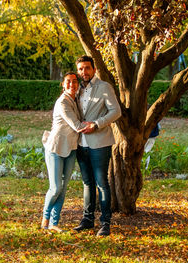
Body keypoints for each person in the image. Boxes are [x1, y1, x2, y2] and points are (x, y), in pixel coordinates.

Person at [73, 55, 121, 236]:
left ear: (93, 69)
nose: (83, 72)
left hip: (100, 142)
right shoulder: (76, 89)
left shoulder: (104, 87)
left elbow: (116, 111)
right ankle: (87, 219)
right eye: (80, 69)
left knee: (101, 183)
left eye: (86, 68)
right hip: (80, 142)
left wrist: (97, 124)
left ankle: (105, 223)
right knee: (87, 182)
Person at [41, 72, 85, 233]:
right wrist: (97, 125)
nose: (72, 84)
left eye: (75, 82)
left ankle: (54, 223)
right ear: (63, 84)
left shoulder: (76, 100)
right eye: (68, 81)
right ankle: (45, 219)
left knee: (63, 188)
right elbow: (76, 125)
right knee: (55, 188)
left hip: (71, 148)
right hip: (55, 148)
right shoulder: (62, 102)